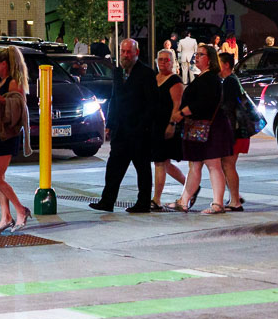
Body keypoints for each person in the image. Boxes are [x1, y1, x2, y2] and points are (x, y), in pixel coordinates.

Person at [92, 38, 155, 214]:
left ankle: (143, 203)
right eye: (123, 51)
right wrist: (110, 124)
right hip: (120, 130)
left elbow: (151, 104)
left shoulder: (146, 73)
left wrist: (143, 126)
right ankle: (107, 201)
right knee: (113, 167)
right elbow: (115, 98)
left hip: (138, 131)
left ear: (137, 53)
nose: (125, 55)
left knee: (142, 168)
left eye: (129, 52)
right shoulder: (118, 72)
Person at [169, 45, 233, 214]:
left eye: (201, 55)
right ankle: (183, 201)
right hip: (201, 128)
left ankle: (218, 204)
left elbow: (203, 104)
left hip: (210, 129)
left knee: (213, 165)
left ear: (210, 59)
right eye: (196, 54)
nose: (196, 57)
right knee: (196, 165)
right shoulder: (204, 77)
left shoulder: (210, 78)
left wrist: (181, 113)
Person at [0, 46, 32, 233]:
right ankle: (6, 216)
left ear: (4, 64)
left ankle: (20, 210)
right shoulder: (2, 82)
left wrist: (1, 100)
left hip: (8, 135)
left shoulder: (13, 83)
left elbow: (18, 108)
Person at [150, 49, 188, 210]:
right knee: (164, 163)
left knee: (160, 162)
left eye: (166, 60)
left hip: (167, 125)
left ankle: (156, 199)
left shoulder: (175, 80)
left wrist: (172, 125)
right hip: (155, 125)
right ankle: (191, 186)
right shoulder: (155, 78)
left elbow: (177, 105)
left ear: (173, 63)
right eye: (160, 59)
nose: (163, 62)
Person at [217, 52, 249, 211]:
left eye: (218, 62)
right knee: (226, 164)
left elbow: (229, 108)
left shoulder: (229, 81)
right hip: (237, 129)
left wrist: (227, 132)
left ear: (226, 65)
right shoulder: (232, 80)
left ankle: (235, 201)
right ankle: (235, 196)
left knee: (228, 164)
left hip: (235, 130)